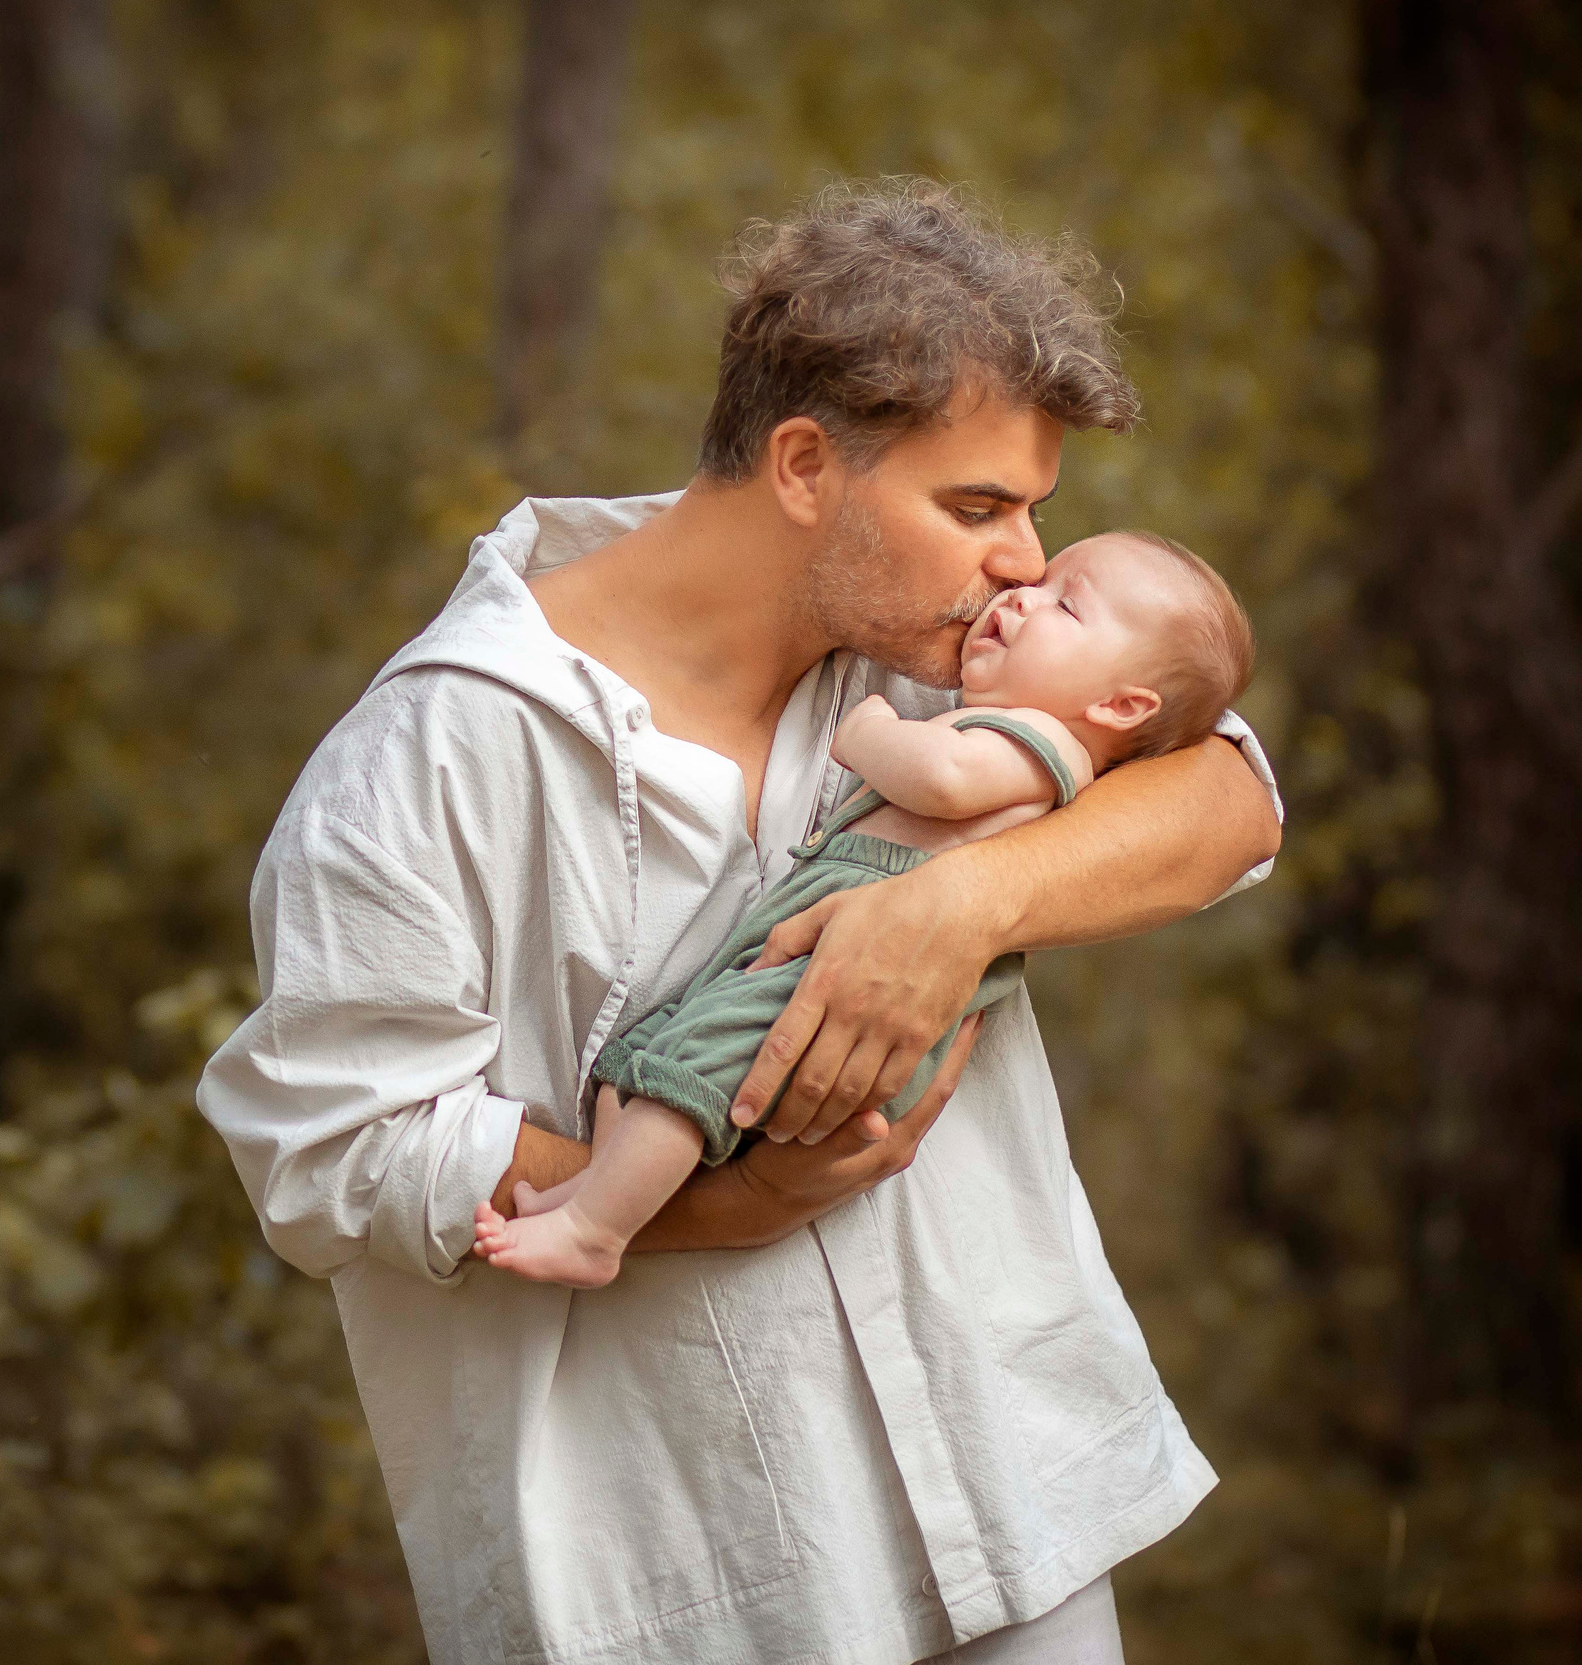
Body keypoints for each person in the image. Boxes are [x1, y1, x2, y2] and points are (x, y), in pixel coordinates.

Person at [196, 180, 1282, 1665]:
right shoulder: (437, 752)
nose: (1026, 561)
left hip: (1013, 1514)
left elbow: (1231, 801)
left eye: (1035, 512)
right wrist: (724, 1203)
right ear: (801, 464)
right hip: (693, 1577)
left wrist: (957, 903)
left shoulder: (946, 668)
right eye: (979, 506)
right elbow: (328, 1145)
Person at [473, 531, 1256, 1289]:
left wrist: (872, 728)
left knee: (685, 1079)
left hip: (839, 979)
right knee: (641, 1068)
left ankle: (596, 1233)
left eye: (1065, 606)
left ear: (1122, 705)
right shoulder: (1003, 709)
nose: (1023, 592)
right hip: (813, 939)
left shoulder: (1041, 745)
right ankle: (588, 1195)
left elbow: (944, 778)